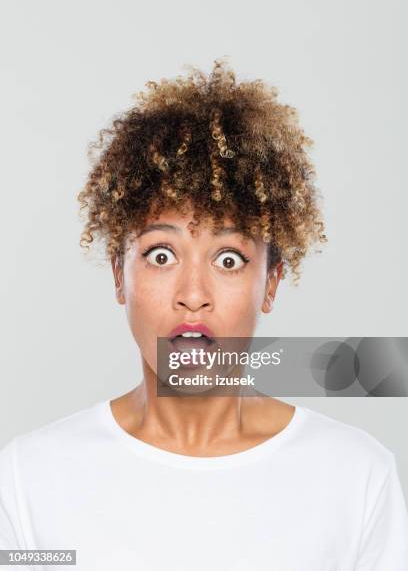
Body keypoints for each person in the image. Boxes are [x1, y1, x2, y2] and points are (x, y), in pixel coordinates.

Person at [1, 59, 407, 570]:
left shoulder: (357, 478)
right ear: (117, 274)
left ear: (272, 282)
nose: (193, 295)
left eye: (229, 259)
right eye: (161, 255)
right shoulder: (28, 479)